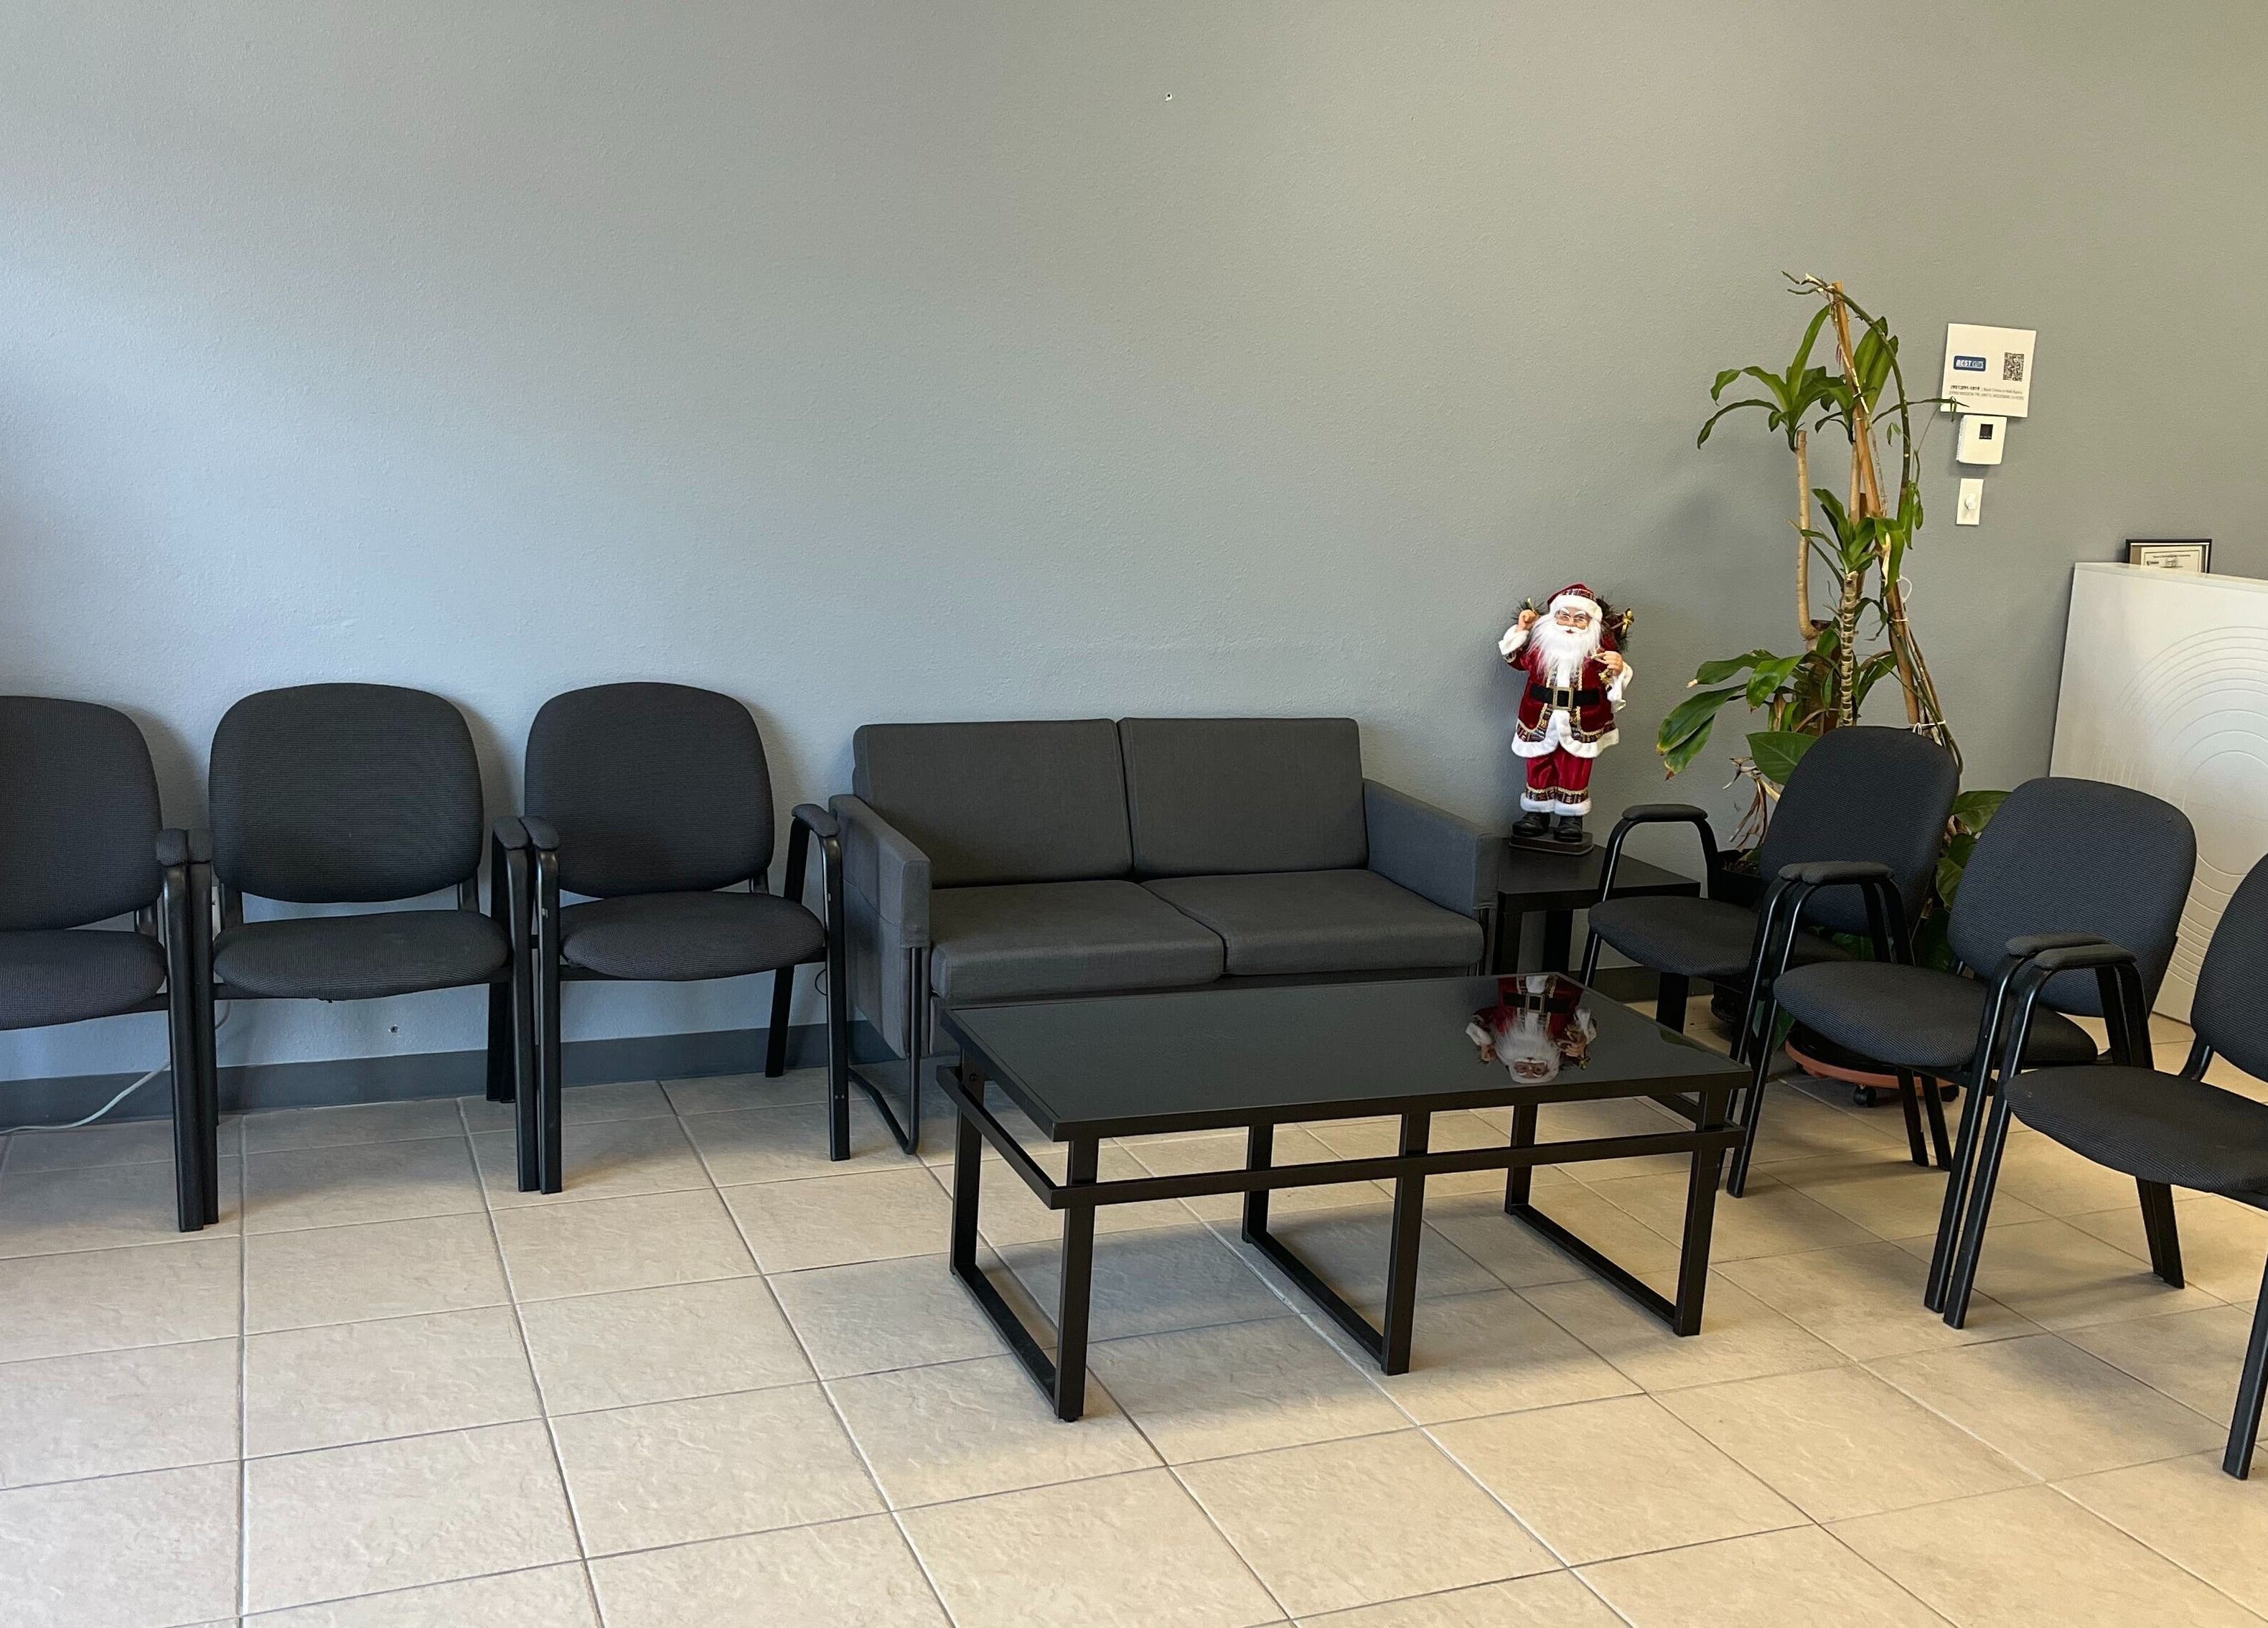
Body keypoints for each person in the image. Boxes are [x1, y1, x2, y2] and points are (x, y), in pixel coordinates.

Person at [1499, 582, 1630, 850]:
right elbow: (1516, 660)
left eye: (1579, 618)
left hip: (1584, 719)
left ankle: (1571, 817)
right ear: (1554, 617)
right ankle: (1536, 812)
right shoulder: (1540, 645)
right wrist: (1522, 630)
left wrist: (1618, 669)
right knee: (1538, 762)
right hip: (1539, 717)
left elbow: (1611, 678)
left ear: (1591, 621)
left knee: (1575, 765)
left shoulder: (1599, 648)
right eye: (1564, 616)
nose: (1571, 624)